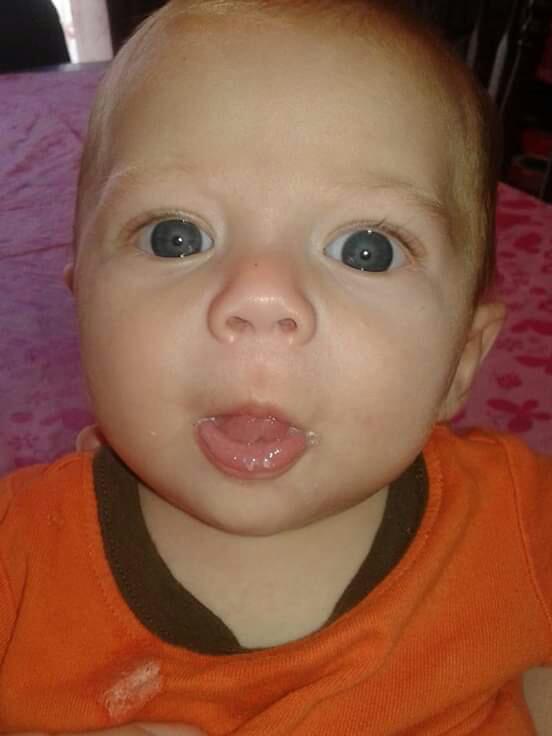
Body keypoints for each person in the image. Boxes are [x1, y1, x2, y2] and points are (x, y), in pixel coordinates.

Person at [1, 0, 551, 733]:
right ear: (82, 306)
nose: (260, 298)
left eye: (367, 251)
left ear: (463, 359)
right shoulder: (18, 563)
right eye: (175, 237)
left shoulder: (519, 520)